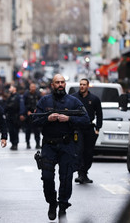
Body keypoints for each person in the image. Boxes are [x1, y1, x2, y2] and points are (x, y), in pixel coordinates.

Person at [33, 74, 90, 220]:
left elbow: (86, 119)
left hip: (67, 145)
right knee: (46, 177)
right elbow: (34, 120)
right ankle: (52, 203)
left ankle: (63, 205)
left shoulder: (73, 101)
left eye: (62, 82)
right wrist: (48, 118)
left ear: (65, 84)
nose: (60, 85)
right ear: (52, 85)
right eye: (57, 82)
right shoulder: (44, 101)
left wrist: (69, 118)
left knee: (66, 178)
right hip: (49, 145)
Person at [72, 78, 103, 184]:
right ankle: (81, 173)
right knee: (79, 150)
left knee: (89, 152)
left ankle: (85, 172)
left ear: (88, 86)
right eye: (80, 84)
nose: (82, 86)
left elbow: (99, 114)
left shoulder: (94, 99)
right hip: (78, 128)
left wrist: (98, 128)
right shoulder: (74, 98)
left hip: (89, 128)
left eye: (84, 84)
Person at [5, 85, 25, 150]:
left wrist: (21, 114)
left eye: (11, 87)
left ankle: (15, 143)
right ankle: (12, 143)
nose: (9, 89)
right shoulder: (10, 96)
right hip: (10, 116)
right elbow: (6, 106)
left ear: (15, 88)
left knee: (15, 130)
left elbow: (20, 106)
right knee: (10, 130)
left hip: (16, 116)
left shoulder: (18, 96)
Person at [23, 83, 41, 149]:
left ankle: (38, 143)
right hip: (28, 115)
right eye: (32, 87)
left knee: (37, 130)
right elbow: (23, 104)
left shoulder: (38, 94)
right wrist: (26, 111)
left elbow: (40, 103)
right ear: (29, 88)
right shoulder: (26, 94)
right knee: (28, 130)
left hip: (36, 115)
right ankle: (28, 143)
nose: (33, 88)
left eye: (34, 87)